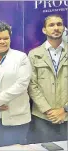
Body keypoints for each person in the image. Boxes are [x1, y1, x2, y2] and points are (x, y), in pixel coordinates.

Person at [28, 14, 68, 143]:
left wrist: (64, 110)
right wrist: (49, 111)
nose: (56, 28)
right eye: (51, 25)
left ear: (63, 28)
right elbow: (31, 85)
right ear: (44, 30)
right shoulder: (34, 54)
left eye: (59, 24)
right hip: (42, 118)